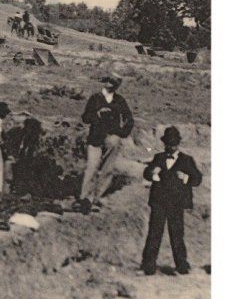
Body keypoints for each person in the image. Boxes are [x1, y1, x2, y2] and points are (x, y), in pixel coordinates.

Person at [141, 126, 202, 276]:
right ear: (164, 144)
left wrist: (186, 178)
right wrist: (153, 174)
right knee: (155, 233)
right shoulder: (158, 158)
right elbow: (146, 173)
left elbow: (197, 178)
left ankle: (181, 265)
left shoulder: (187, 160)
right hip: (159, 202)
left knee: (177, 234)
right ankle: (148, 265)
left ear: (178, 144)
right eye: (168, 143)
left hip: (176, 203)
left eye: (173, 144)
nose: (171, 147)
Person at [77, 73, 134, 210]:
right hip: (95, 138)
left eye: (113, 82)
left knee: (107, 169)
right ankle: (85, 198)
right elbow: (85, 117)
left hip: (112, 139)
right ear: (105, 82)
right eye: (108, 81)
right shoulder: (95, 99)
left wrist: (120, 133)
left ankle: (96, 197)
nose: (110, 84)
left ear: (116, 85)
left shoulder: (119, 100)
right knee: (92, 166)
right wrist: (97, 114)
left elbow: (129, 119)